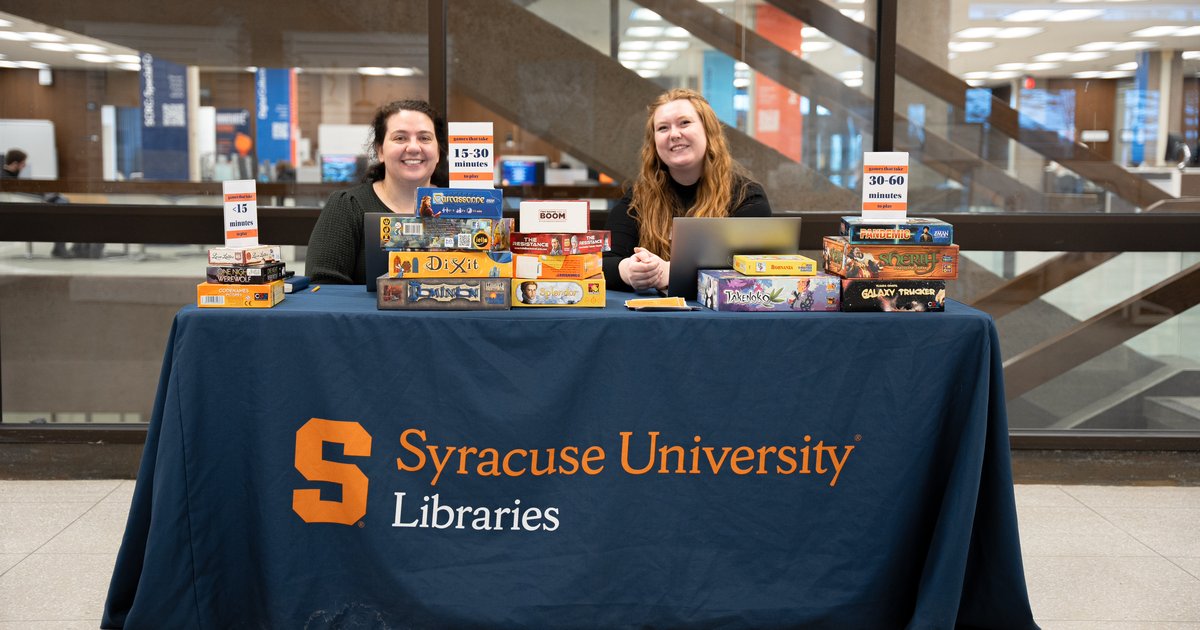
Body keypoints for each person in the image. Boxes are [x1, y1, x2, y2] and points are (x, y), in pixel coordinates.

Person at [602, 89, 772, 293]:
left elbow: (754, 271)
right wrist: (628, 270)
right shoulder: (638, 198)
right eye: (663, 128)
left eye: (684, 123)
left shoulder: (747, 197)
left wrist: (669, 272)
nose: (674, 134)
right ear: (654, 143)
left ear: (709, 131)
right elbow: (604, 262)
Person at [305, 100, 448, 284]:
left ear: (438, 152)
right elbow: (323, 289)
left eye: (425, 138)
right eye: (400, 138)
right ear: (380, 150)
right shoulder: (347, 206)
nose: (413, 147)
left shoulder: (464, 209)